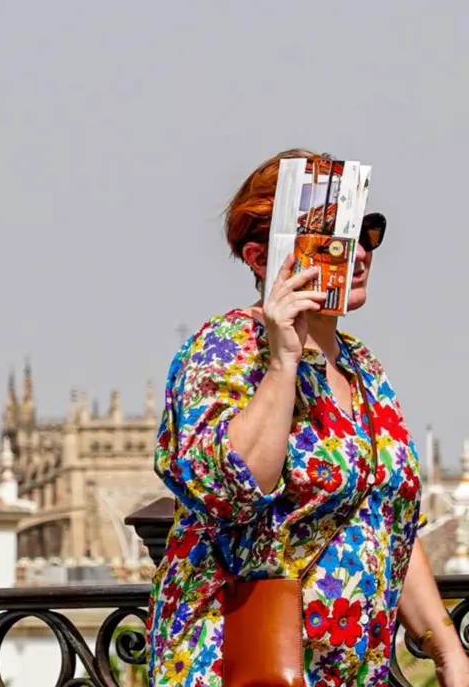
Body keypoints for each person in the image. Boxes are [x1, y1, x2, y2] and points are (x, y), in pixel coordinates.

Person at [147, 149, 469, 686]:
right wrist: (283, 361)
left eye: (366, 231)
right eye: (333, 238)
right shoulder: (227, 348)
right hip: (240, 666)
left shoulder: (363, 368)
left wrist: (447, 651)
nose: (358, 253)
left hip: (348, 671)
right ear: (259, 258)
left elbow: (387, 521)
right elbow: (235, 487)